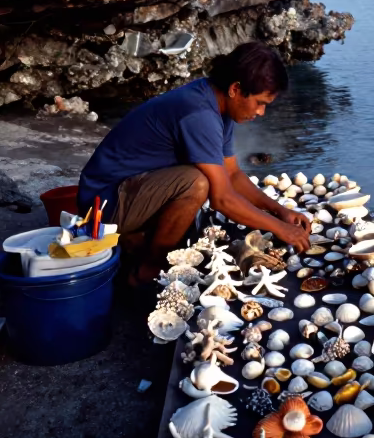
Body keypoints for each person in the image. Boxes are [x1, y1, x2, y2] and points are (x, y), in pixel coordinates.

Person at [78, 41, 312, 284]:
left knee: (205, 178)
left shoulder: (217, 105)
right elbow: (222, 199)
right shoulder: (199, 114)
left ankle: (136, 240)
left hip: (129, 190)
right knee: (197, 183)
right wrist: (279, 228)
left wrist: (280, 211)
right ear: (235, 89)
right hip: (102, 206)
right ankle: (147, 271)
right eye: (260, 102)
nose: (261, 112)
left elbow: (232, 174)